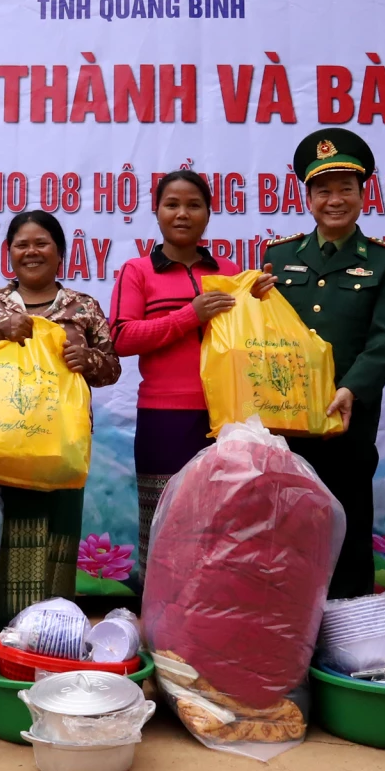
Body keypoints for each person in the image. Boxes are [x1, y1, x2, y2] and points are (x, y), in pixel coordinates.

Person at [0, 210, 121, 627]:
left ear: (60, 253)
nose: (32, 251)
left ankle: (49, 641)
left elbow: (112, 368)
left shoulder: (83, 306)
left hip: (59, 446)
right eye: (22, 244)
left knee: (55, 544)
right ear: (9, 254)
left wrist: (87, 359)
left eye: (42, 244)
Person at [262, 129, 385, 599]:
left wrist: (351, 389)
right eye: (323, 190)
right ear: (307, 197)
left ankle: (351, 635)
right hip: (286, 423)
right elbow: (261, 335)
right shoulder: (279, 257)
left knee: (347, 524)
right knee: (286, 527)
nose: (335, 200)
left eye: (346, 188)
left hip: (349, 419)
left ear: (363, 194)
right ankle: (286, 628)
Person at [109, 170, 271, 583]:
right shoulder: (137, 270)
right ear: (157, 211)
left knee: (222, 522)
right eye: (172, 204)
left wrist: (263, 304)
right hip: (165, 417)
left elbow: (252, 341)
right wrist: (189, 316)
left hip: (228, 417)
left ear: (209, 213)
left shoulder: (230, 270)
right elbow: (122, 338)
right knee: (163, 521)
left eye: (193, 205)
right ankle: (157, 625)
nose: (182, 214)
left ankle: (214, 619)